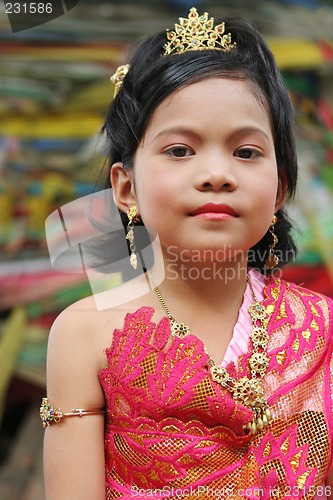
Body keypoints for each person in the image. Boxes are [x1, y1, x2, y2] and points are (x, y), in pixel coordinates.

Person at [41, 7, 333, 499]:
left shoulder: (324, 329)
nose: (216, 173)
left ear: (280, 189)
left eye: (246, 152)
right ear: (126, 187)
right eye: (180, 150)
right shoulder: (85, 333)